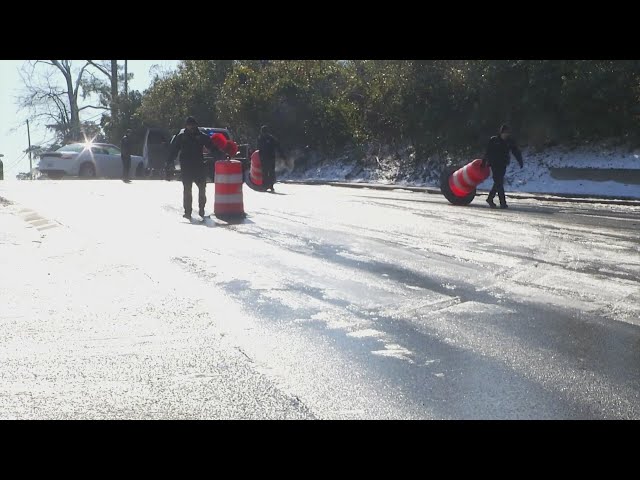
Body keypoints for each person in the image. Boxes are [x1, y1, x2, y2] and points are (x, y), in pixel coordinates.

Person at [166, 116, 224, 219]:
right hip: (186, 167)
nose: (191, 127)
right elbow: (174, 151)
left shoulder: (202, 136)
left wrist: (221, 155)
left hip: (199, 166)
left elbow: (212, 147)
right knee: (187, 190)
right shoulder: (181, 137)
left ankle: (201, 209)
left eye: (193, 125)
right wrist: (169, 162)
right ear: (186, 126)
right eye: (189, 125)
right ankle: (187, 212)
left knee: (202, 189)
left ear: (196, 125)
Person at [481, 124, 523, 209]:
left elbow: (516, 151)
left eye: (507, 133)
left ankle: (490, 198)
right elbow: (488, 151)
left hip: (503, 164)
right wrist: (484, 161)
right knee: (499, 182)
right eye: (504, 133)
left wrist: (520, 161)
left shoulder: (509, 141)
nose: (506, 134)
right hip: (494, 164)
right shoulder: (494, 140)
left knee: (498, 182)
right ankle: (503, 203)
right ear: (501, 133)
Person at [256, 125, 285, 192]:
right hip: (270, 158)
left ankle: (266, 185)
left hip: (265, 158)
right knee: (270, 172)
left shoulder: (261, 138)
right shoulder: (270, 138)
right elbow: (278, 146)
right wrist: (282, 155)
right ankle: (269, 185)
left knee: (265, 172)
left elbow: (258, 149)